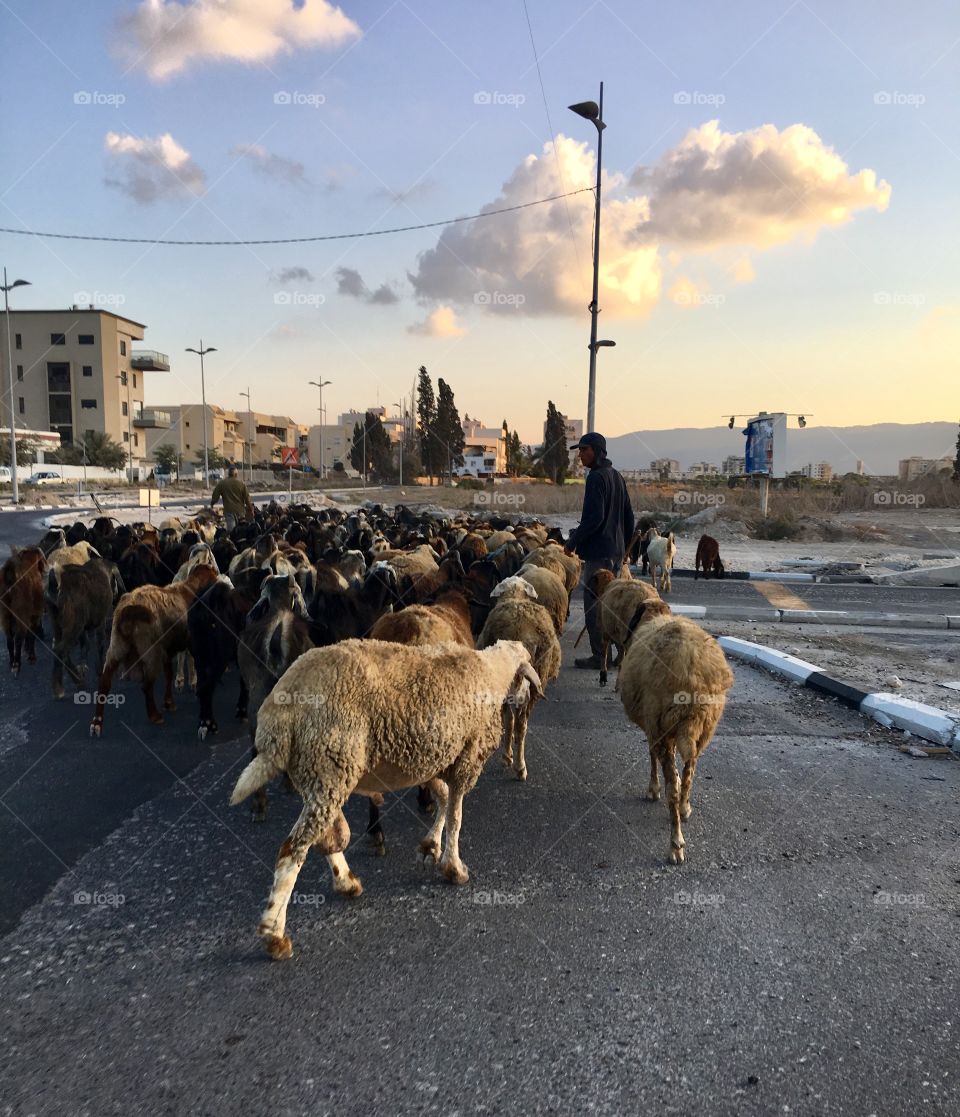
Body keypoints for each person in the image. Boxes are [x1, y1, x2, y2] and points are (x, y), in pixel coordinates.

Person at [564, 432, 635, 669]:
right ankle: (619, 653)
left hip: (598, 553)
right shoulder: (616, 476)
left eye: (584, 450)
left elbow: (594, 518)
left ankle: (598, 656)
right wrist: (624, 547)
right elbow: (629, 516)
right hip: (614, 552)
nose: (580, 455)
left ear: (596, 450)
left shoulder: (596, 477)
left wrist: (573, 540)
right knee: (613, 604)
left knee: (593, 604)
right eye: (580, 450)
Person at [211, 466, 254, 532]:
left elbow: (215, 497)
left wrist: (212, 504)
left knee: (231, 531)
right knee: (241, 531)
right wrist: (251, 509)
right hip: (240, 511)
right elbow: (247, 499)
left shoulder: (222, 483)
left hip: (229, 511)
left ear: (228, 474)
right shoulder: (241, 484)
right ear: (236, 474)